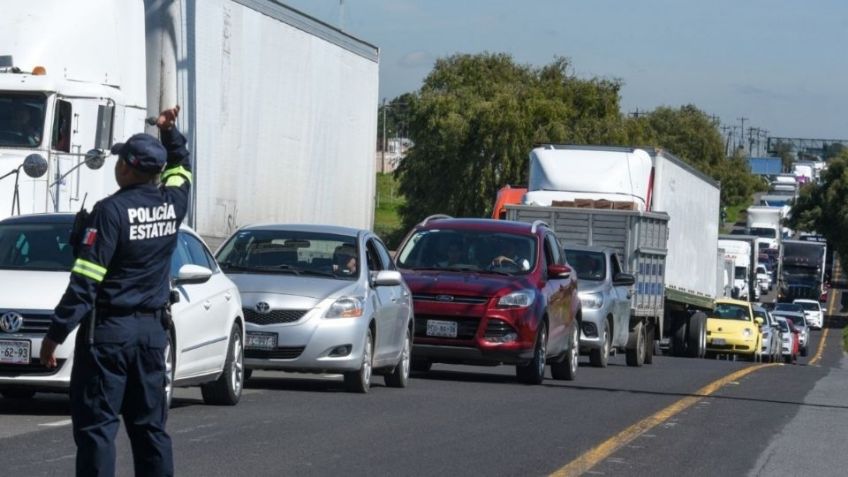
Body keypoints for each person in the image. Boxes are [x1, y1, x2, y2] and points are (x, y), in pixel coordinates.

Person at [40, 106, 190, 477]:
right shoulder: (172, 205)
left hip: (109, 336)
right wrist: (170, 134)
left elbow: (85, 283)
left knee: (97, 429)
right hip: (152, 336)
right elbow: (182, 169)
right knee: (150, 428)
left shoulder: (110, 212)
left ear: (126, 167)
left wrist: (56, 333)